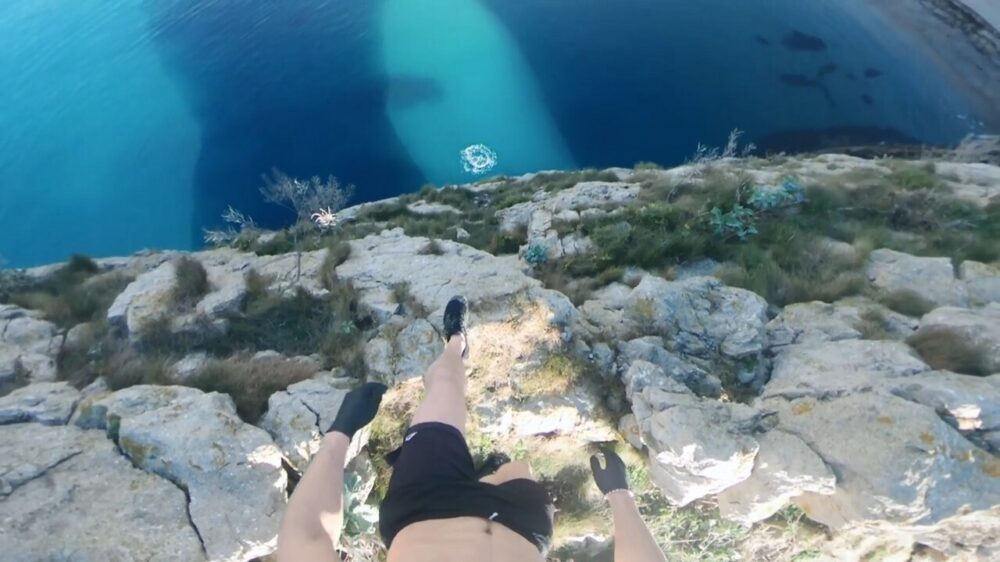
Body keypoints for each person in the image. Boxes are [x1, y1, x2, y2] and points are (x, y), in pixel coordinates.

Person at [278, 296, 667, 562]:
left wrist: (340, 434)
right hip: (521, 525)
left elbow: (304, 541)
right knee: (516, 469)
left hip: (423, 505)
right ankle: (487, 472)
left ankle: (455, 344)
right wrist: (619, 495)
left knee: (446, 383)